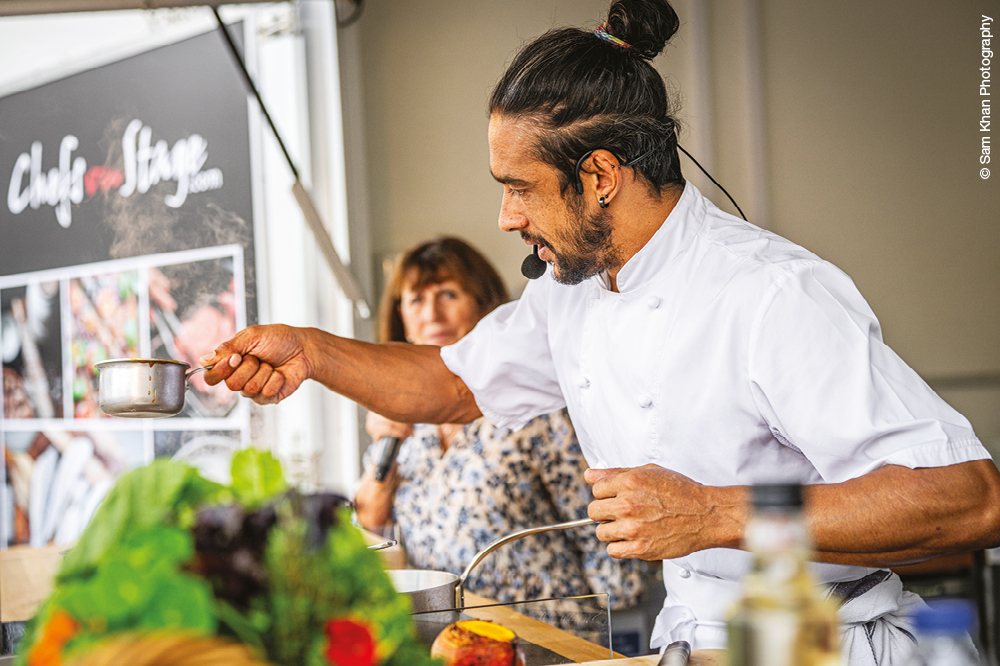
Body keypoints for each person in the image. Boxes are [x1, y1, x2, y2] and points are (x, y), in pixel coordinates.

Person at [199, 1, 1000, 663]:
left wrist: (716, 513)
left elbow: (967, 499)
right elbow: (451, 383)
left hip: (825, 644)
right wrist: (312, 352)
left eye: (519, 188)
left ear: (602, 176)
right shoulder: (572, 291)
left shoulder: (770, 293)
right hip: (697, 640)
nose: (505, 217)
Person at [353, 236, 648, 629]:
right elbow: (374, 543)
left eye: (448, 294)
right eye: (416, 300)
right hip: (446, 637)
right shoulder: (399, 429)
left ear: (484, 305)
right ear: (401, 319)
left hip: (543, 635)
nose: (432, 314)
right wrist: (381, 459)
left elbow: (596, 525)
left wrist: (608, 621)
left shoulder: (533, 411)